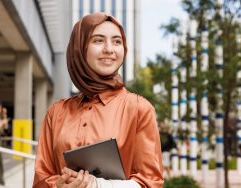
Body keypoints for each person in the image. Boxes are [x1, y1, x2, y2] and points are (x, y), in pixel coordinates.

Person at [33, 12, 163, 188]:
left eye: (117, 41)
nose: (109, 49)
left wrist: (97, 185)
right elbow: (41, 178)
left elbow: (151, 183)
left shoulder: (139, 108)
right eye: (98, 40)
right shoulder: (56, 112)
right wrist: (59, 185)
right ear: (79, 48)